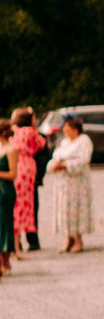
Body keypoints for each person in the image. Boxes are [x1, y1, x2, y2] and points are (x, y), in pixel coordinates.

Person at [46, 115, 94, 252]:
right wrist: (53, 166)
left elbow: (83, 160)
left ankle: (78, 239)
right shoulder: (64, 143)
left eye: (69, 128)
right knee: (65, 210)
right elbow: (54, 158)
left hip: (77, 183)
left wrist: (65, 165)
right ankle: (68, 238)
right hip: (63, 184)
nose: (66, 131)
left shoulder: (84, 141)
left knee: (76, 210)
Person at [11, 106, 44, 252]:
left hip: (16, 165)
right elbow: (42, 144)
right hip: (28, 167)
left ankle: (16, 241)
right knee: (28, 203)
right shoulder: (31, 132)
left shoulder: (14, 132)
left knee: (16, 203)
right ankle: (30, 238)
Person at [0, 118, 15, 276]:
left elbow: (13, 174)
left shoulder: (11, 149)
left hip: (5, 191)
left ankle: (6, 260)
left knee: (5, 225)